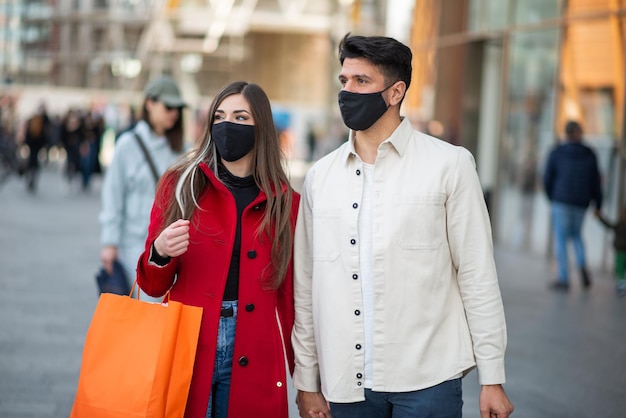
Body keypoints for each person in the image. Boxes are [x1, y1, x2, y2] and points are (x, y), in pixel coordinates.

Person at [292, 34, 514, 418]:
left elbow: (477, 274)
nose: (347, 91)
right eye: (344, 81)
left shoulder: (450, 165)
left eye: (362, 81)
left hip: (429, 380)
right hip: (347, 383)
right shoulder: (320, 177)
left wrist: (491, 377)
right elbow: (306, 287)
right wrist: (306, 381)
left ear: (395, 92)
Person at [135, 81, 300, 417]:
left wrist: (306, 377)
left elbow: (291, 298)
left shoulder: (286, 203)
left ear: (262, 128)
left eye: (241, 117)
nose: (227, 126)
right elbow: (152, 285)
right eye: (220, 116)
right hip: (188, 340)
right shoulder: (181, 183)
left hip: (254, 344)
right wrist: (160, 251)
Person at [99, 75, 186, 299]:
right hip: (133, 247)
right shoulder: (127, 145)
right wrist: (110, 243)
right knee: (145, 311)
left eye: (177, 108)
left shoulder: (181, 149)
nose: (174, 113)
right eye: (168, 106)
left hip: (173, 247)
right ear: (149, 103)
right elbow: (113, 196)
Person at [543, 120, 602, 291]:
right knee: (576, 235)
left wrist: (551, 197)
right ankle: (582, 265)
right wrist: (598, 203)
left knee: (561, 238)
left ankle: (563, 278)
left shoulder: (557, 152)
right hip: (581, 202)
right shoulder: (590, 153)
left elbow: (547, 177)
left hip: (560, 201)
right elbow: (595, 182)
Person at [595, 206, 626, 296]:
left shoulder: (619, 225)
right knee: (621, 270)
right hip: (621, 250)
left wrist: (599, 218)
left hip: (620, 251)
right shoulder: (619, 224)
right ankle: (621, 285)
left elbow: (608, 225)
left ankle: (621, 287)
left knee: (619, 270)